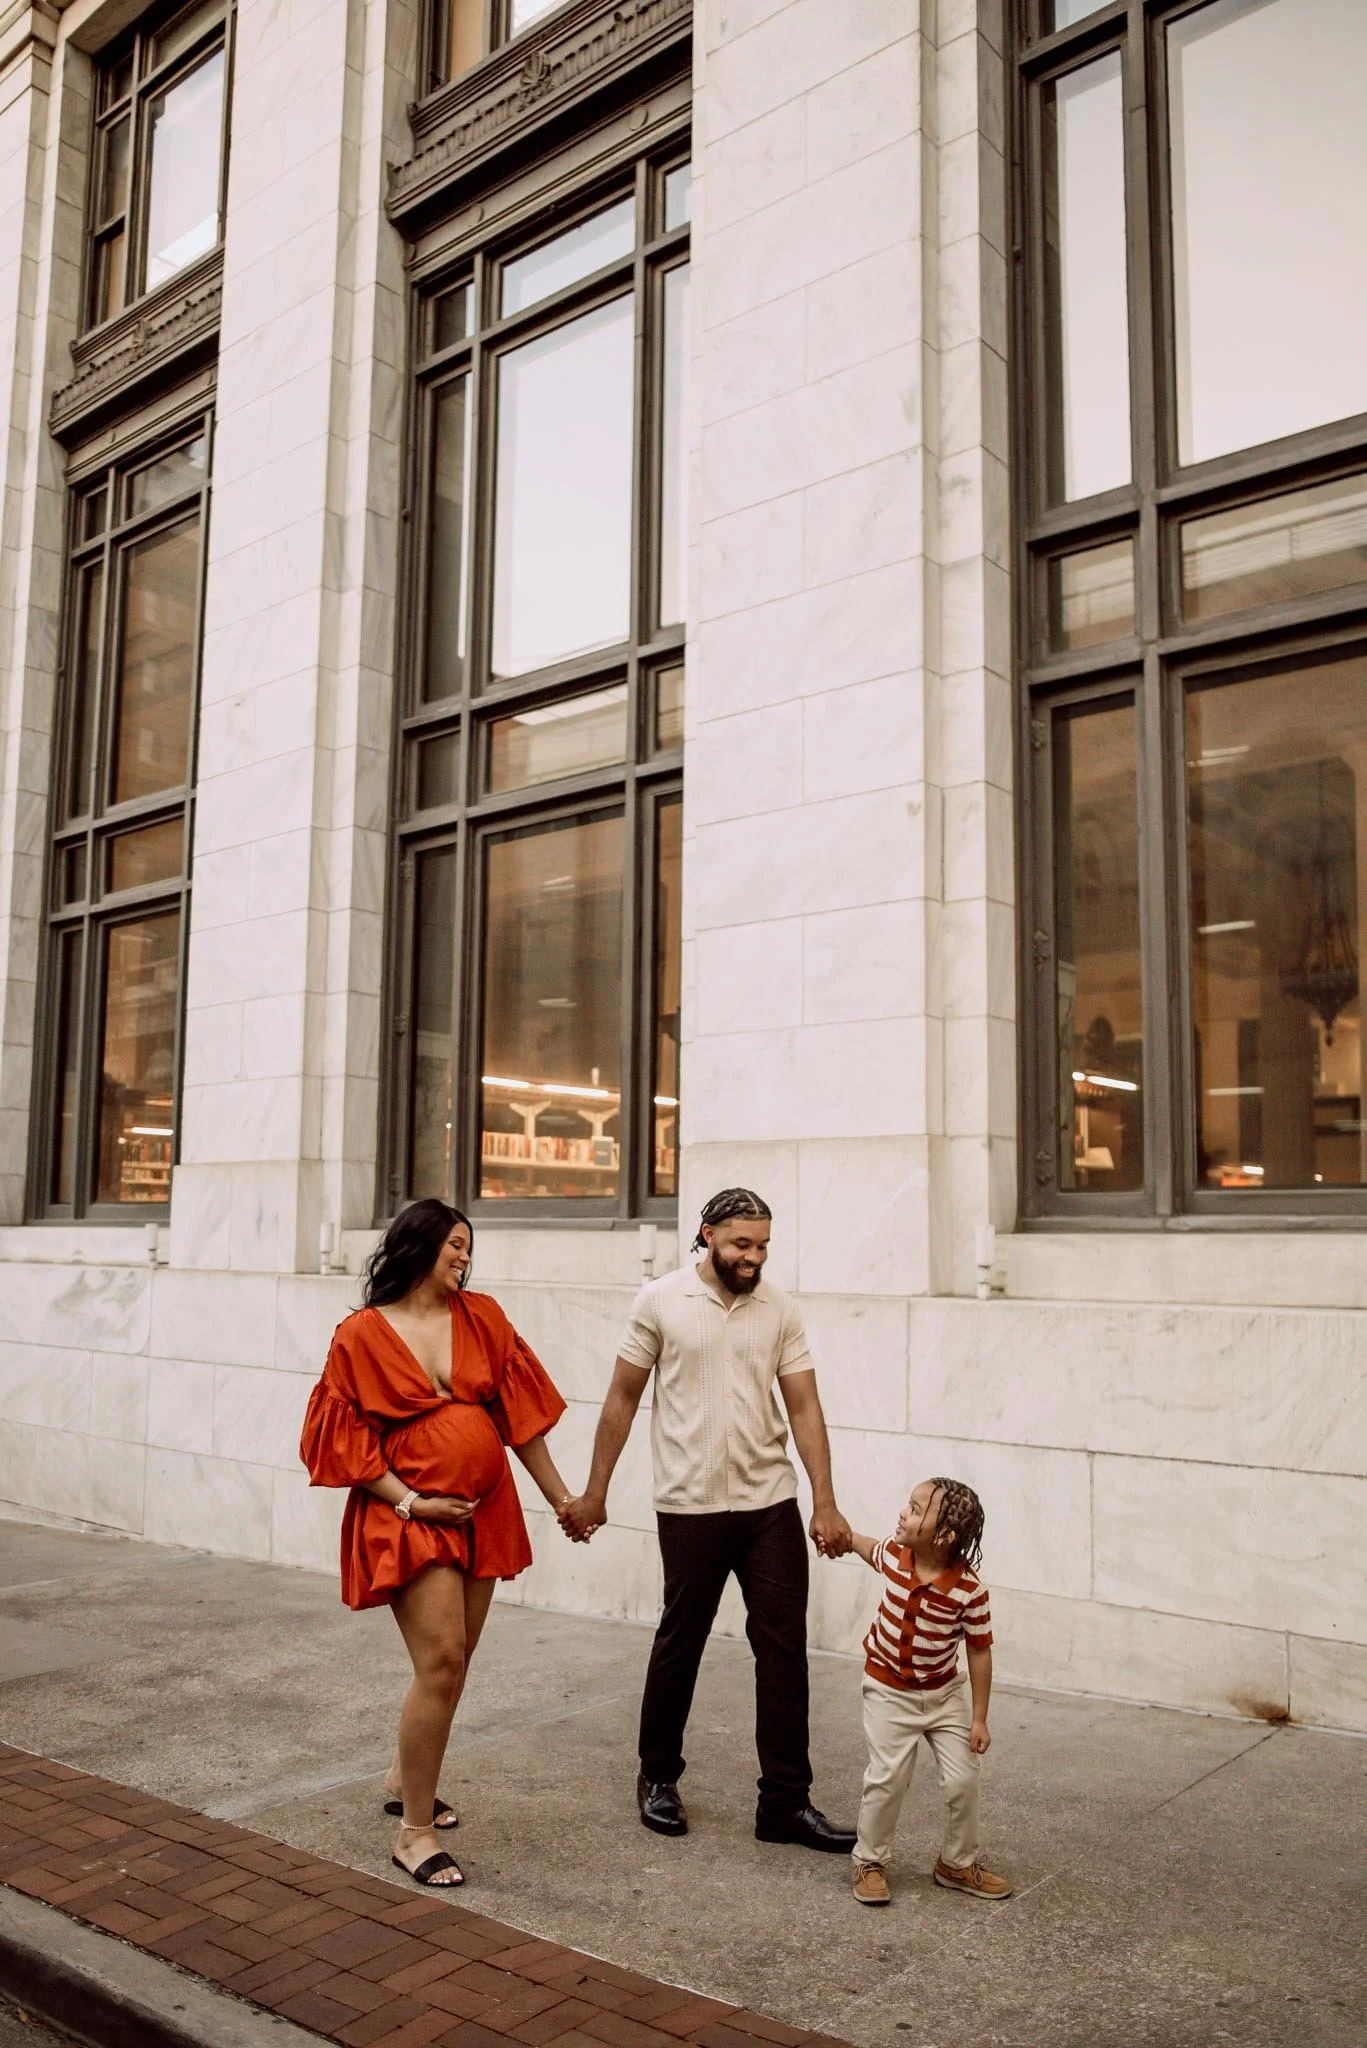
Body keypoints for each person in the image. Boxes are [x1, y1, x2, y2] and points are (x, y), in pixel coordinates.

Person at [560, 1188, 856, 1852]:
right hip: (689, 1505)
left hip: (768, 1505)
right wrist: (594, 1491)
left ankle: (784, 1803)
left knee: (782, 1652)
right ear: (707, 1235)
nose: (752, 1258)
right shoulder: (660, 1301)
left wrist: (824, 1500)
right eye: (740, 1244)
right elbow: (621, 1398)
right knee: (680, 1643)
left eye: (762, 1246)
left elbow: (804, 1409)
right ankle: (657, 1777)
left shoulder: (780, 1310)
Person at [300, 1198, 573, 1890]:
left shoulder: (482, 1319)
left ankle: (403, 1776)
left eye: (467, 1246)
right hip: (409, 1513)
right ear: (417, 1245)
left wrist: (562, 1498)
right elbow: (343, 1438)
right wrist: (412, 1499)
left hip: (484, 1510)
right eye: (454, 1243)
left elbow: (520, 1421)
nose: (464, 1256)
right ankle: (413, 1833)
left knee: (457, 1659)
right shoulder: (361, 1334)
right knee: (443, 1662)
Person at [846, 1476, 1011, 1906]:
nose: (903, 1512)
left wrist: (978, 1718)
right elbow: (868, 1547)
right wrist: (843, 1537)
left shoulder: (969, 1591)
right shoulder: (896, 1556)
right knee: (887, 1777)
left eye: (916, 1510)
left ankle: (956, 1864)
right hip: (887, 1690)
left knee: (963, 1778)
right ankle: (868, 1861)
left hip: (943, 1696)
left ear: (945, 1536)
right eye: (909, 1504)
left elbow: (979, 1652)